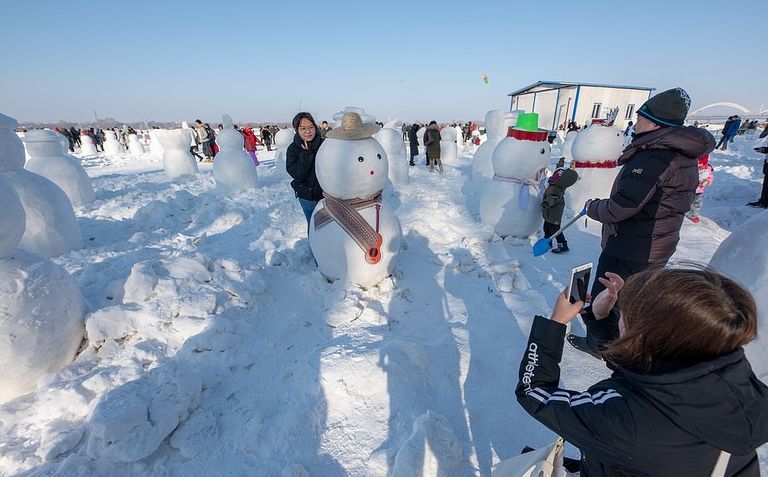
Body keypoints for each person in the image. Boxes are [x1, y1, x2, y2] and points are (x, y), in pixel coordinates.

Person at [516, 266, 768, 476]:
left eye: (623, 317)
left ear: (649, 338)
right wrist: (601, 319)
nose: (620, 320)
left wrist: (555, 323)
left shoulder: (620, 417)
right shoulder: (733, 378)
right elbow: (648, 374)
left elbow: (534, 392)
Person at [568, 87, 716, 357]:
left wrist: (594, 208)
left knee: (608, 297)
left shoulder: (655, 156)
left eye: (640, 118)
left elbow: (625, 205)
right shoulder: (680, 153)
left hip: (632, 245)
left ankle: (602, 346)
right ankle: (626, 345)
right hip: (656, 242)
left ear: (655, 123)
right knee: (633, 299)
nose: (635, 123)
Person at [286, 112, 324, 228]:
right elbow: (298, 175)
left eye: (311, 127)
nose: (308, 132)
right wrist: (306, 155)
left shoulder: (324, 144)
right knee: (313, 226)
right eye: (303, 128)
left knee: (328, 227)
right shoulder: (293, 149)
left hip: (326, 195)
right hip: (308, 197)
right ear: (297, 129)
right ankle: (312, 246)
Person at [541, 158, 579, 253]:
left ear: (560, 180)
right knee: (546, 227)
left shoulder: (557, 188)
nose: (552, 178)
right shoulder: (554, 184)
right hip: (549, 212)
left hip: (554, 214)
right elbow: (559, 171)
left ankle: (562, 245)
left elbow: (555, 198)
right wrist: (560, 164)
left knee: (555, 230)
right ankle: (547, 241)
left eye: (555, 177)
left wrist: (547, 203)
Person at [688, 154, 714, 223]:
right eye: (699, 166)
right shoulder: (692, 168)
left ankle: (693, 215)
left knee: (697, 203)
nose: (701, 167)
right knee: (686, 201)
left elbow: (710, 178)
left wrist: (706, 181)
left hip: (699, 191)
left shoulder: (708, 169)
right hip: (689, 189)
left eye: (703, 165)